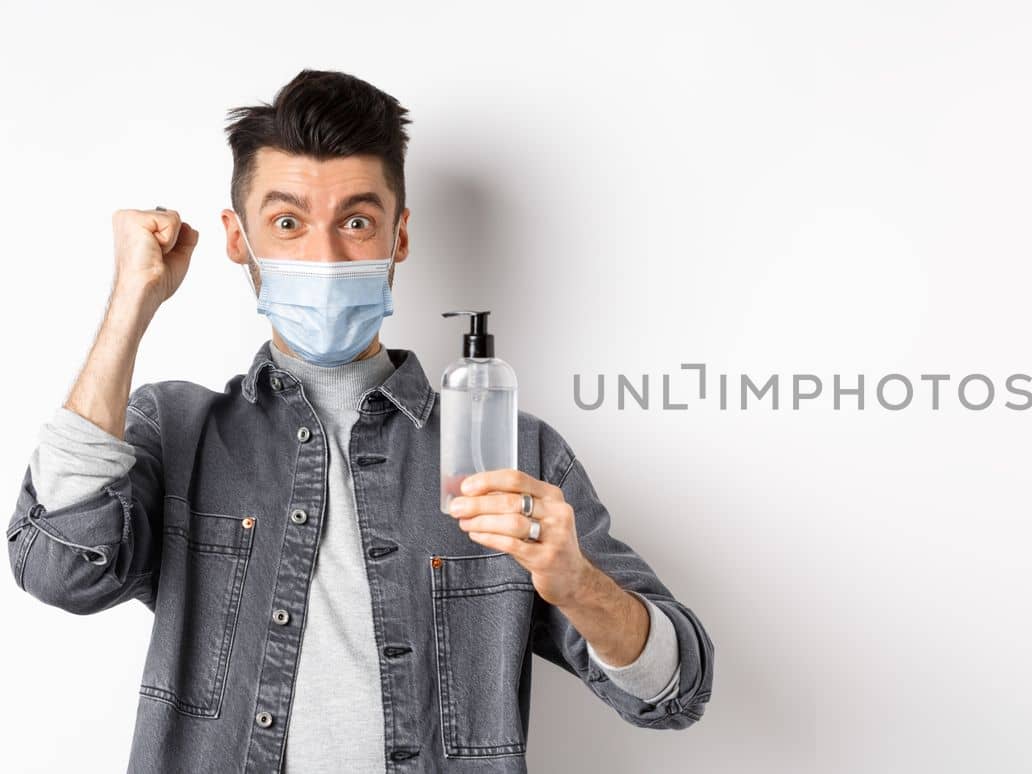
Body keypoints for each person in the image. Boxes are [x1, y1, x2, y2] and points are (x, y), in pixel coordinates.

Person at [4, 69, 713, 773]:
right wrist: (133, 300)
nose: (324, 256)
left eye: (355, 222)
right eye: (287, 223)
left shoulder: (513, 452)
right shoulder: (177, 429)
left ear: (398, 237)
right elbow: (59, 568)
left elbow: (676, 691)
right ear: (236, 237)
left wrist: (579, 584)